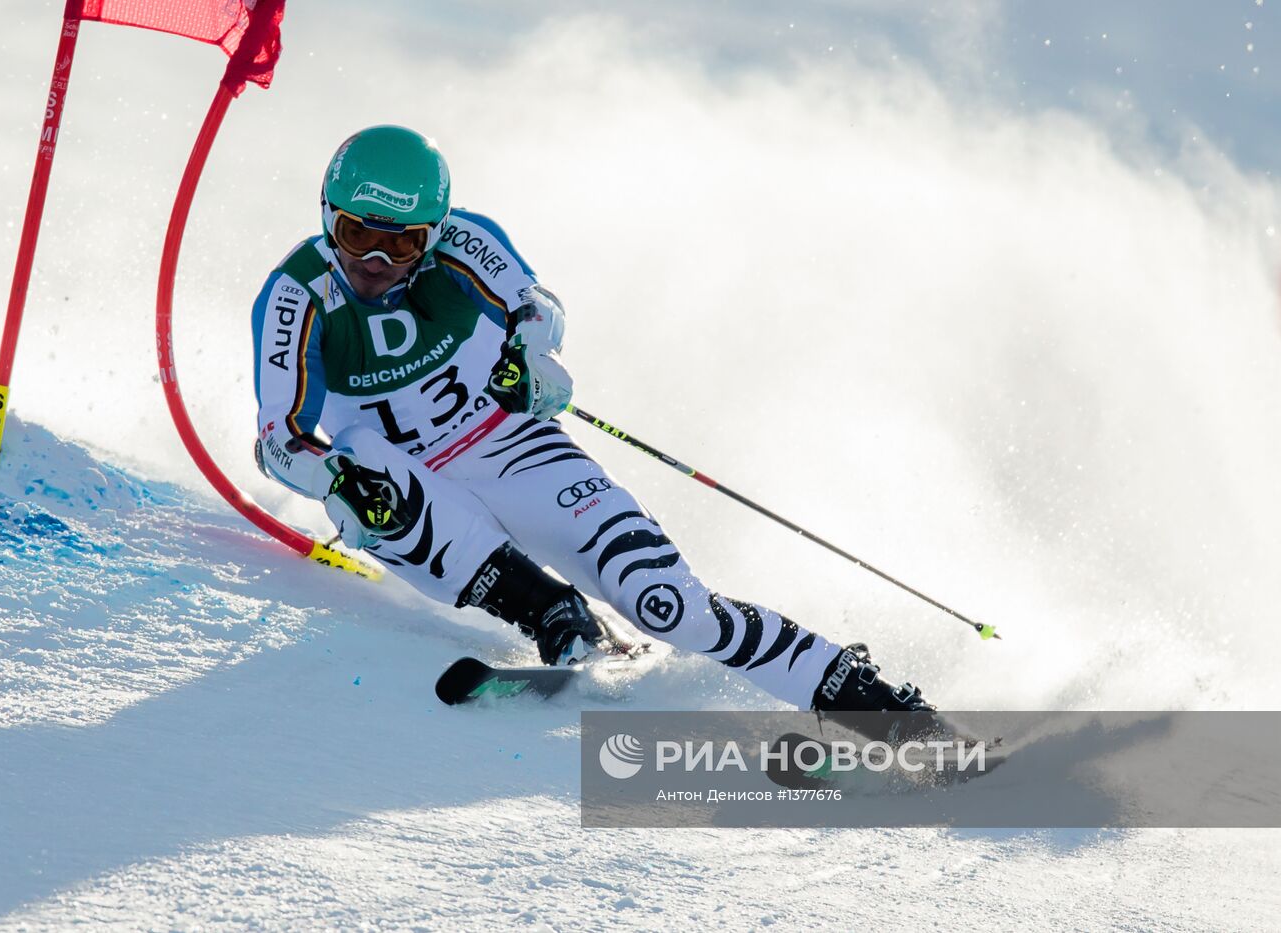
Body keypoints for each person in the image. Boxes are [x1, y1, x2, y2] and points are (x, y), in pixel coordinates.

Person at [251, 124, 937, 721]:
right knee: (363, 463)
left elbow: (539, 308)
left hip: (514, 449)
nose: (372, 261)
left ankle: (870, 702)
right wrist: (330, 476)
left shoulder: (465, 245)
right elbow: (278, 439)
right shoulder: (296, 295)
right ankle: (549, 610)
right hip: (414, 483)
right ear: (327, 218)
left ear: (431, 238)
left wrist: (534, 361)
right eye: (354, 233)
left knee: (670, 604)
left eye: (398, 245)